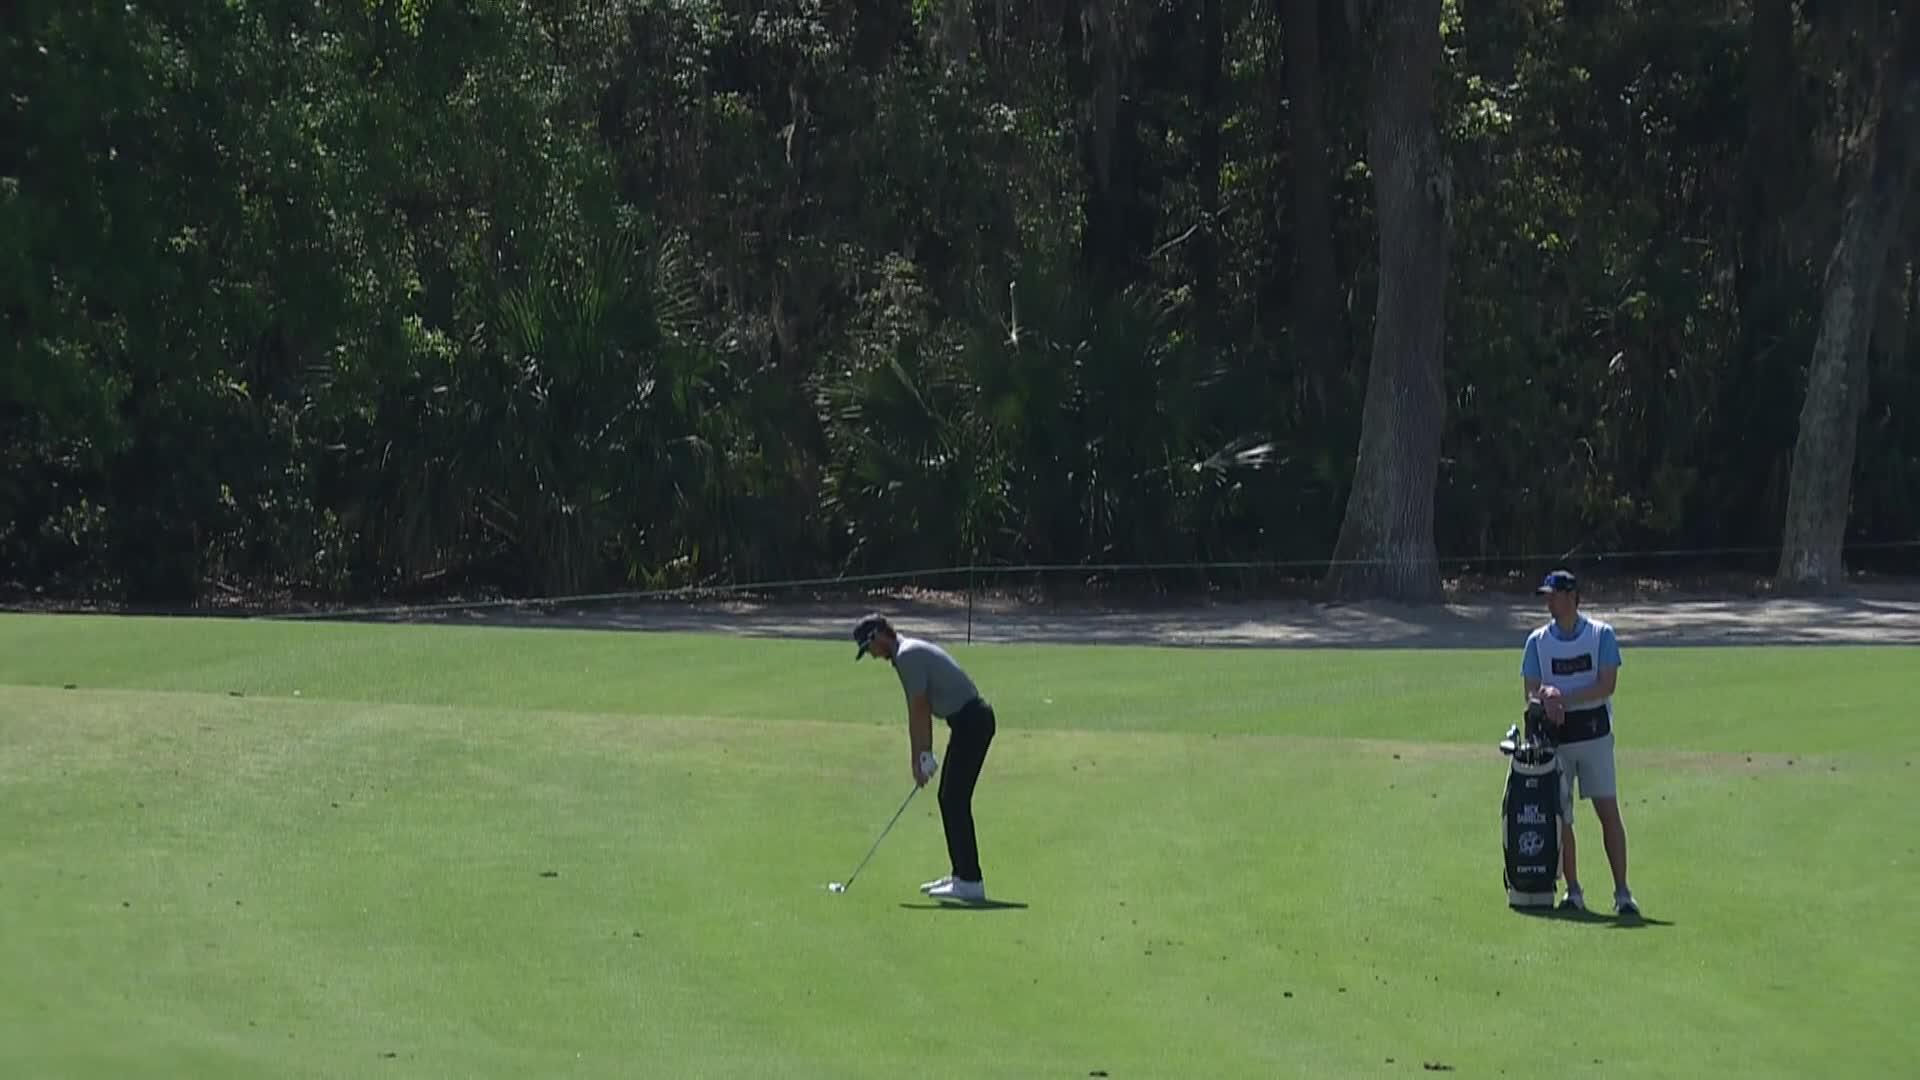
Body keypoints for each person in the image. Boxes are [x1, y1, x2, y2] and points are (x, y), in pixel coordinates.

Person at [1520, 569, 1640, 917]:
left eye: (1554, 595)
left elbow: (1606, 685)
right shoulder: (1537, 642)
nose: (1549, 602)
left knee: (1607, 812)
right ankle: (1573, 890)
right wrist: (1545, 698)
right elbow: (1530, 691)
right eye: (1547, 596)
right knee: (1562, 818)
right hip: (1556, 742)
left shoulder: (1601, 635)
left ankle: (1622, 892)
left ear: (1572, 597)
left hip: (1594, 736)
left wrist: (1563, 698)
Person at [854, 613, 997, 902]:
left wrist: (923, 756)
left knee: (953, 798)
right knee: (951, 798)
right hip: (968, 723)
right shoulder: (904, 657)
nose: (870, 655)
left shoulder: (907, 655)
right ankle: (963, 875)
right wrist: (918, 757)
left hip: (973, 721)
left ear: (878, 636)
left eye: (868, 648)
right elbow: (916, 711)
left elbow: (920, 709)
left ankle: (970, 880)